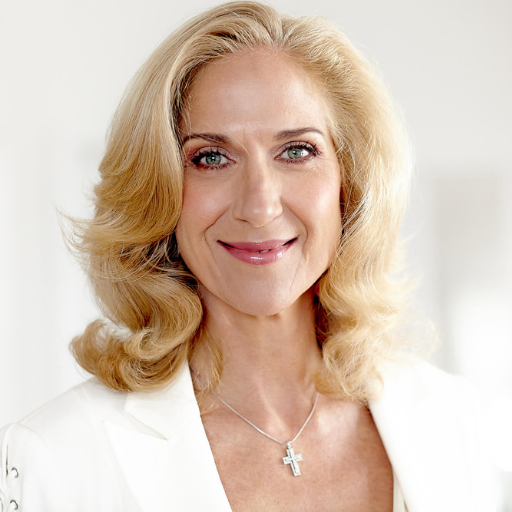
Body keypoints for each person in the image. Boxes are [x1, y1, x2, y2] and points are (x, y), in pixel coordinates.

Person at [0, 2, 494, 511]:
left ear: (350, 181)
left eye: (296, 151)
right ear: (157, 192)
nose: (259, 207)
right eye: (211, 157)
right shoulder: (55, 460)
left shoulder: (453, 420)